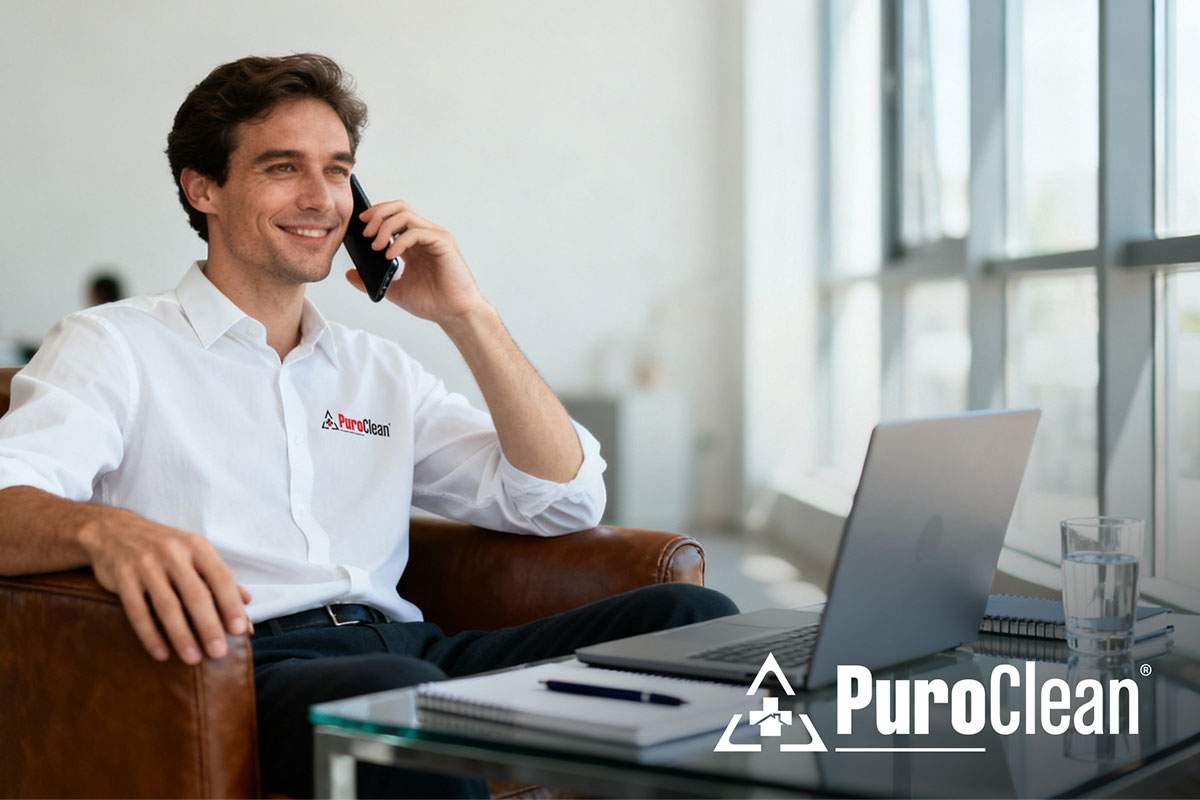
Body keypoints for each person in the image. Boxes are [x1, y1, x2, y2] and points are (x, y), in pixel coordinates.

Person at [0, 54, 738, 798]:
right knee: (398, 699)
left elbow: (562, 499)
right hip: (244, 671)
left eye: (338, 170)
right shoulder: (113, 343)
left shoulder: (376, 368)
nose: (321, 199)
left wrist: (467, 316)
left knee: (694, 618)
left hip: (413, 650)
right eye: (283, 168)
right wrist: (106, 531)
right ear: (204, 188)